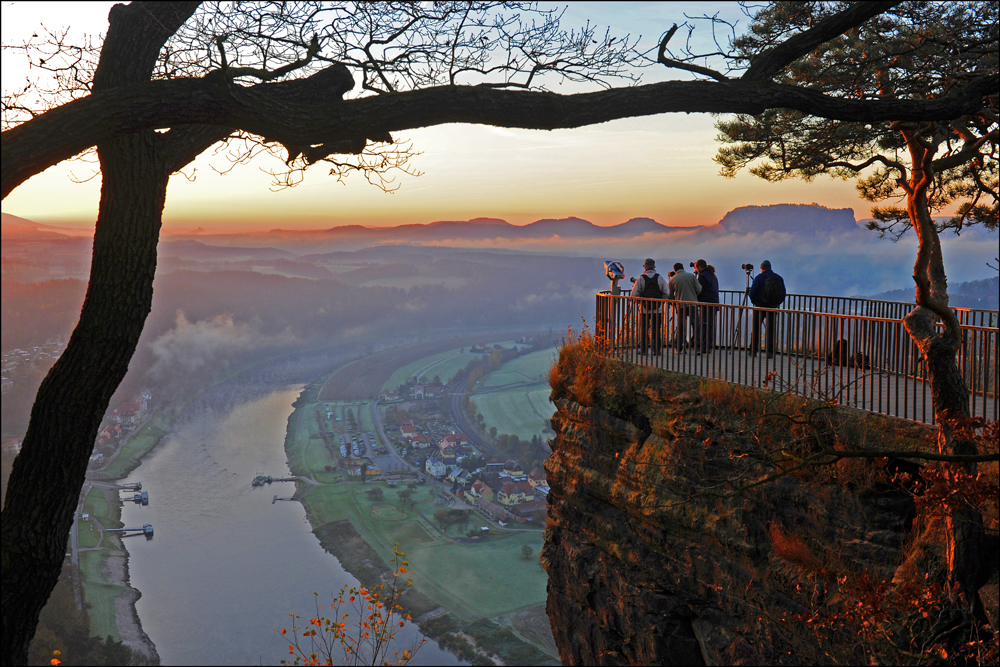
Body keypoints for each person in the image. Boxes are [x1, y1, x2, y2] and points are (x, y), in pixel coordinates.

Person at [748, 259, 786, 357]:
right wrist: (776, 303)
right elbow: (783, 293)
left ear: (762, 268)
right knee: (771, 329)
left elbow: (752, 293)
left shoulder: (759, 278)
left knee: (756, 328)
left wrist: (756, 302)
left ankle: (753, 350)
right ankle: (769, 352)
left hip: (760, 307)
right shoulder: (778, 278)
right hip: (773, 307)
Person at [630, 258, 669, 355]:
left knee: (644, 329)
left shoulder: (641, 278)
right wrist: (660, 301)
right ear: (654, 267)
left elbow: (634, 294)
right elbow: (666, 292)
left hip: (644, 309)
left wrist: (640, 302)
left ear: (645, 267)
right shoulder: (659, 277)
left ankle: (643, 350)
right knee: (656, 330)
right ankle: (657, 350)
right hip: (657, 309)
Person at [667, 262, 702, 352]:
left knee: (681, 326)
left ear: (675, 270)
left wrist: (672, 300)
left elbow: (670, 295)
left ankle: (679, 347)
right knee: (696, 325)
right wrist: (694, 296)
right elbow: (699, 289)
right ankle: (697, 347)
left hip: (680, 305)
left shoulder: (673, 279)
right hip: (693, 304)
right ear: (683, 267)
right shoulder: (691, 276)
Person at [694, 259, 719, 354]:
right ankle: (709, 345)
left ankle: (704, 346)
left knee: (704, 325)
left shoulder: (703, 276)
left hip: (706, 303)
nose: (696, 270)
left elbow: (700, 290)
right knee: (710, 325)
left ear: (700, 267)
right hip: (713, 302)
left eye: (696, 268)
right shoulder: (712, 275)